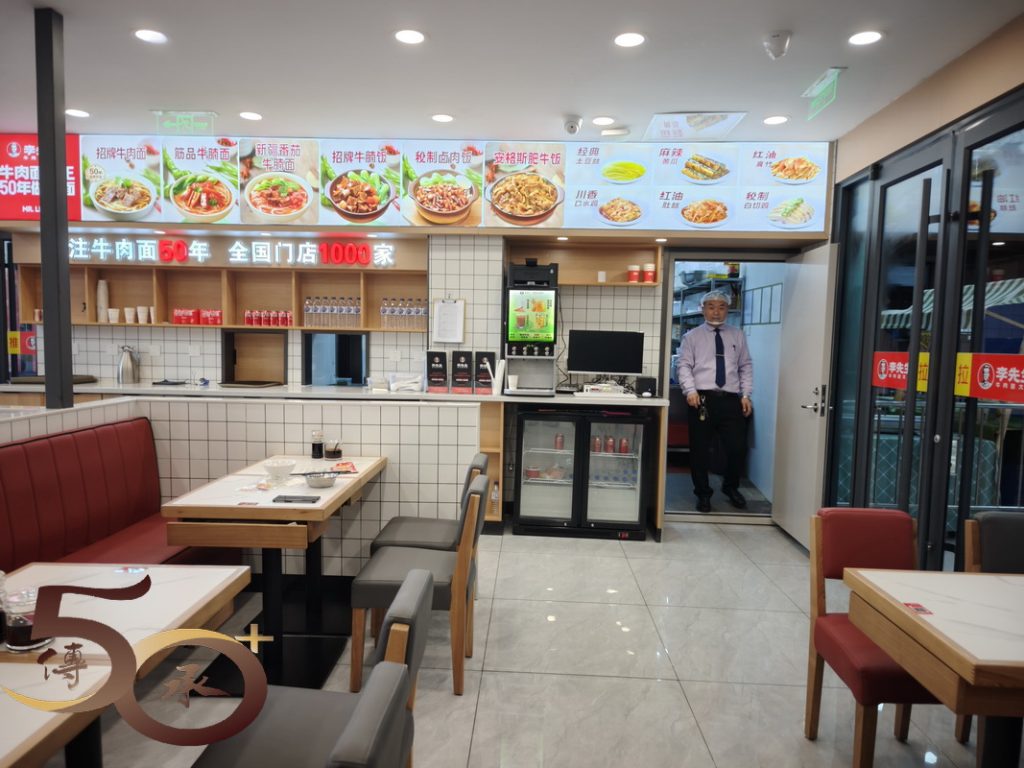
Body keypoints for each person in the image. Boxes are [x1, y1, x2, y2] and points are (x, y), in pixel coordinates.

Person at [676, 289, 753, 512]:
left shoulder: (737, 335)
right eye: (711, 307)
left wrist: (746, 394)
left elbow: (745, 366)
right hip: (700, 400)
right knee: (700, 451)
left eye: (721, 307)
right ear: (703, 310)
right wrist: (690, 390)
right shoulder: (692, 337)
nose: (716, 312)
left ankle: (731, 487)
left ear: (727, 310)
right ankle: (703, 494)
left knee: (737, 448)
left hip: (731, 399)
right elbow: (684, 366)